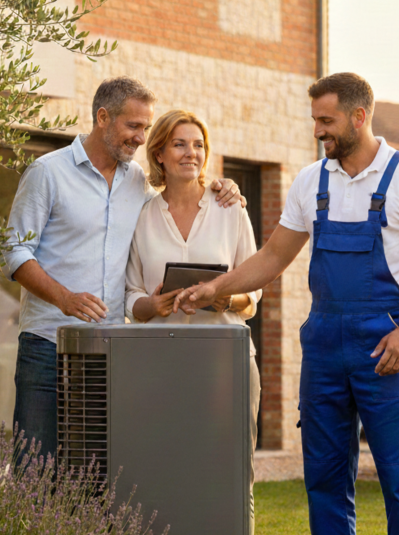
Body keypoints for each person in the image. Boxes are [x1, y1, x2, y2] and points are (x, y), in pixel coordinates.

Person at [173, 72, 399, 535]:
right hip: (323, 344)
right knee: (323, 479)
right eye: (314, 120)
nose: (317, 130)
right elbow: (273, 256)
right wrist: (216, 288)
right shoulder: (310, 181)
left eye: (326, 120)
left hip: (384, 343)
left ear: (359, 117)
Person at [2, 77, 243, 461]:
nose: (141, 138)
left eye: (146, 128)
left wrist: (221, 186)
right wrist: (64, 298)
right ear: (103, 117)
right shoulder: (48, 173)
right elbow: (14, 252)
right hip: (47, 345)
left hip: (108, 350)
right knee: (36, 468)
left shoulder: (136, 181)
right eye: (133, 126)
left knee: (97, 474)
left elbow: (176, 195)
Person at [124, 109, 263, 532]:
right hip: (160, 358)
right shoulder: (142, 215)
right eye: (181, 144)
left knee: (231, 467)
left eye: (199, 144)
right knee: (165, 464)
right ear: (160, 153)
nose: (192, 153)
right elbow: (131, 296)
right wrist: (155, 304)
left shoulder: (229, 208)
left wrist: (223, 298)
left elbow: (253, 290)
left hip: (226, 358)